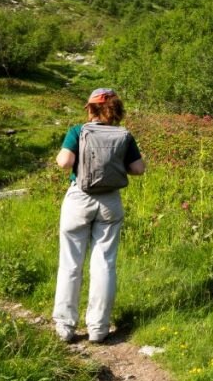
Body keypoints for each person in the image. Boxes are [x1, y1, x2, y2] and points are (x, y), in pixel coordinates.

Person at [53, 88, 145, 343]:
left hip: (79, 198)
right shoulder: (124, 135)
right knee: (104, 263)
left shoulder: (78, 131)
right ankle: (99, 328)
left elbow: (64, 162)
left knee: (71, 263)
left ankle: (65, 326)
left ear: (91, 108)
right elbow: (138, 169)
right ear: (115, 109)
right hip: (110, 201)